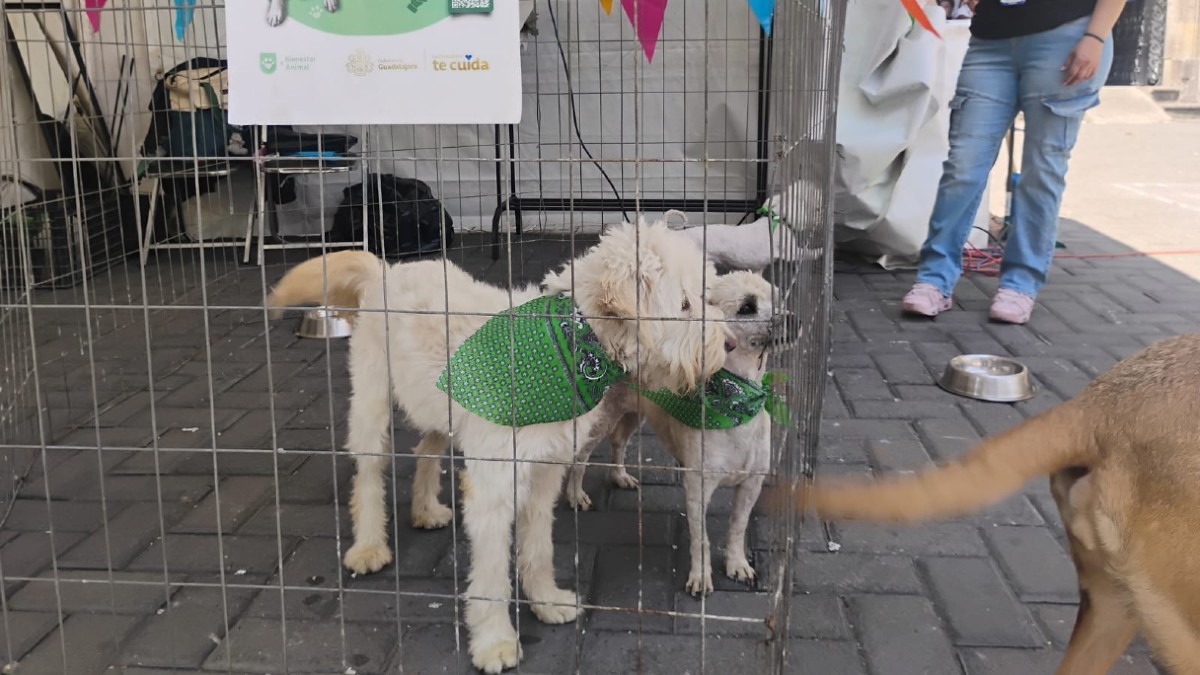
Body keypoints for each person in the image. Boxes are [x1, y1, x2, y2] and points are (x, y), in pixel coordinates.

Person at [901, 0, 1125, 324]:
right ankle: (934, 280)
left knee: (1042, 170)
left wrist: (1096, 36)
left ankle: (1020, 284)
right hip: (990, 42)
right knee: (963, 165)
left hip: (1065, 37)